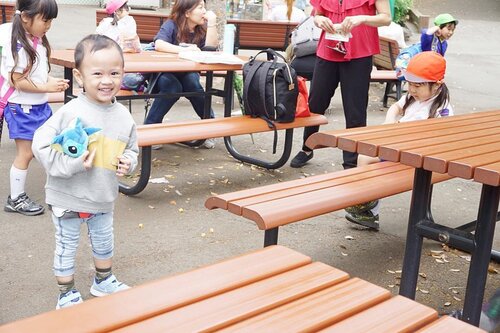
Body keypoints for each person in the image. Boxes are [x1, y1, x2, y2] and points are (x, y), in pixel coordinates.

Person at [32, 34, 139, 309]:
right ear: (80, 77)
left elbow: (132, 150)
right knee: (67, 246)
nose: (107, 80)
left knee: (104, 241)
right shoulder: (70, 113)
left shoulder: (124, 117)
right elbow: (40, 144)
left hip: (103, 196)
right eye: (98, 73)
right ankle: (66, 293)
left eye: (114, 73)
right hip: (67, 197)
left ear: (123, 74)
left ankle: (103, 281)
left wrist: (128, 163)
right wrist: (74, 163)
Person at [345, 52, 453, 230]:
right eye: (409, 84)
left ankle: (367, 207)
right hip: (401, 147)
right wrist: (390, 120)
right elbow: (396, 107)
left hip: (417, 156)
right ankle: (367, 204)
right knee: (366, 155)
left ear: (437, 86)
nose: (411, 90)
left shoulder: (441, 110)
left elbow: (432, 141)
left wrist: (398, 132)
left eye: (417, 85)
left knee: (365, 158)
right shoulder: (415, 96)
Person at [289, 0, 391, 169]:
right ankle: (307, 148)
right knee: (316, 102)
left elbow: (386, 18)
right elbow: (317, 14)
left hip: (359, 53)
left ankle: (351, 162)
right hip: (327, 50)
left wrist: (362, 19)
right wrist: (320, 20)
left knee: (355, 111)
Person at [1, 0, 69, 216]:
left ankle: (57, 193)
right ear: (25, 18)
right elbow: (16, 80)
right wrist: (46, 86)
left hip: (38, 105)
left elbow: (36, 74)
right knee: (27, 153)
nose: (48, 25)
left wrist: (50, 83)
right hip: (22, 107)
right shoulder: (19, 46)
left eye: (51, 21)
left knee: (49, 148)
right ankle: (16, 199)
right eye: (45, 20)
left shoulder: (36, 40)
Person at [144, 0, 218, 149]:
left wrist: (212, 23)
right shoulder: (171, 25)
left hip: (187, 72)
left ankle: (209, 128)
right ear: (187, 12)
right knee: (172, 87)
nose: (204, 11)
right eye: (200, 7)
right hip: (164, 73)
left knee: (193, 84)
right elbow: (159, 44)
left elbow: (211, 49)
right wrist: (185, 50)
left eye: (204, 7)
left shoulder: (201, 29)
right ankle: (150, 130)